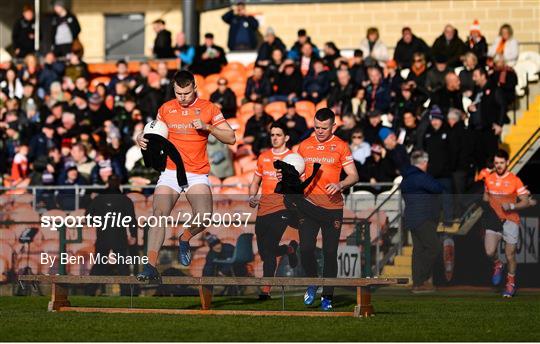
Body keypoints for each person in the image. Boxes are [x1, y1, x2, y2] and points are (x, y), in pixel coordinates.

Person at [136, 71, 235, 281]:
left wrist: (208, 127)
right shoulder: (165, 109)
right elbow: (154, 133)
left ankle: (185, 237)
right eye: (179, 93)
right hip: (171, 171)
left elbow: (231, 137)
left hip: (196, 172)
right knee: (158, 214)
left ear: (194, 87)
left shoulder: (209, 108)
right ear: (174, 89)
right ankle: (150, 266)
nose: (183, 97)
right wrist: (141, 139)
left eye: (187, 93)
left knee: (204, 215)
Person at [292, 108, 359, 311]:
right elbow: (296, 172)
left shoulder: (341, 146)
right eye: (316, 127)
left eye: (324, 127)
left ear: (333, 126)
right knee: (305, 250)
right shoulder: (304, 146)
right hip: (308, 206)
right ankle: (312, 281)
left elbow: (354, 175)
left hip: (332, 208)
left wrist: (340, 185)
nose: (320, 131)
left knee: (330, 253)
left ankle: (327, 297)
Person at [249, 122, 299, 300]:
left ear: (286, 138)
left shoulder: (294, 158)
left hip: (282, 208)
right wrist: (251, 196)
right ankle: (288, 250)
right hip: (263, 208)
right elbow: (255, 181)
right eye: (272, 135)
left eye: (278, 134)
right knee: (264, 252)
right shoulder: (263, 157)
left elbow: (300, 185)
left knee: (269, 251)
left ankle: (265, 290)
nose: (275, 138)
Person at [482, 149, 534, 297]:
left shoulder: (515, 180)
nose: (498, 165)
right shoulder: (489, 178)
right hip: (493, 219)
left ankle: (510, 283)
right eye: (496, 163)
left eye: (501, 163)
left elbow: (525, 201)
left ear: (507, 163)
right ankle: (498, 263)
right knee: (489, 251)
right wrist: (488, 202)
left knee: (510, 255)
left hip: (511, 220)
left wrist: (512, 206)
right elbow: (486, 196)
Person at [85, 174, 137, 296]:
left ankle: (90, 290)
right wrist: (133, 235)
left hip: (103, 236)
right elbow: (131, 219)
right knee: (123, 266)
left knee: (99, 264)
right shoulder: (125, 199)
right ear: (119, 183)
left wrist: (96, 222)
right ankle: (126, 293)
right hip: (119, 236)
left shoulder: (99, 199)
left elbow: (87, 216)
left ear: (108, 183)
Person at [401, 150, 444, 293]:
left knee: (418, 251)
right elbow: (437, 188)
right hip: (424, 217)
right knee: (434, 247)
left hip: (412, 218)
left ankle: (417, 284)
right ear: (424, 163)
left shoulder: (406, 178)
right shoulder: (421, 177)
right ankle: (420, 279)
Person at [468, 67, 506, 170]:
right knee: (479, 160)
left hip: (489, 130)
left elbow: (502, 105)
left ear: (483, 76)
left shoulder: (493, 88)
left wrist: (500, 124)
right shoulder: (477, 91)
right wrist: (470, 109)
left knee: (491, 160)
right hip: (477, 131)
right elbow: (476, 106)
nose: (473, 78)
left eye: (475, 76)